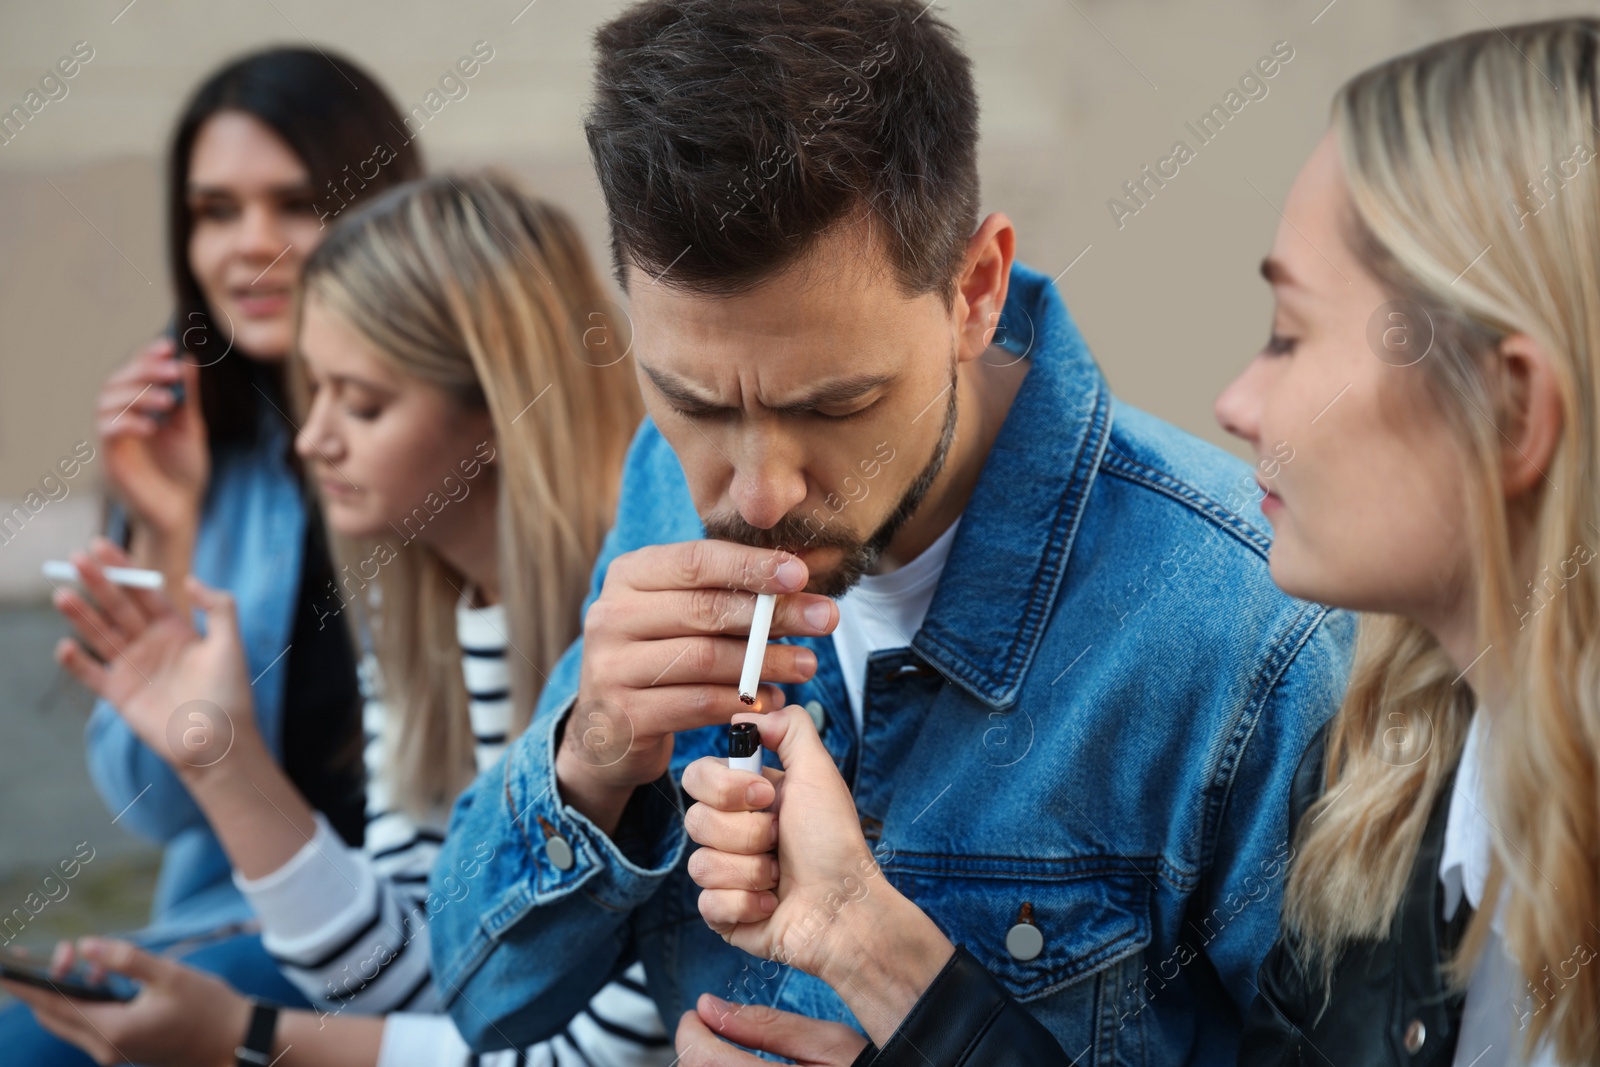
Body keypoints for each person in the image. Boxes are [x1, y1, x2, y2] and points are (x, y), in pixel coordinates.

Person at [424, 2, 1355, 1064]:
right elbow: (480, 994)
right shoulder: (663, 483)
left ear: (975, 289)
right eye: (693, 400)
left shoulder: (1252, 630)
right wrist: (593, 753)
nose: (758, 490)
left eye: (832, 407)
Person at [690, 16, 1600, 1067]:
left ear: (1509, 408)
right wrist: (857, 933)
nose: (1235, 400)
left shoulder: (1269, 657)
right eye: (690, 400)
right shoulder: (1400, 792)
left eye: (1288, 334)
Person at [1, 174, 673, 1066]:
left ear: (502, 409)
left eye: (360, 403)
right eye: (312, 391)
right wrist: (223, 757)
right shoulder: (424, 605)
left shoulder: (644, 632)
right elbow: (440, 973)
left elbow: (582, 1057)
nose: (311, 438)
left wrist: (246, 1039)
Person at [0, 46, 423, 1066]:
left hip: (420, 933)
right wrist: (167, 524)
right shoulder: (191, 443)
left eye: (294, 204)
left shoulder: (455, 443)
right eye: (216, 211)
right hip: (248, 911)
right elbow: (158, 803)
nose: (252, 247)